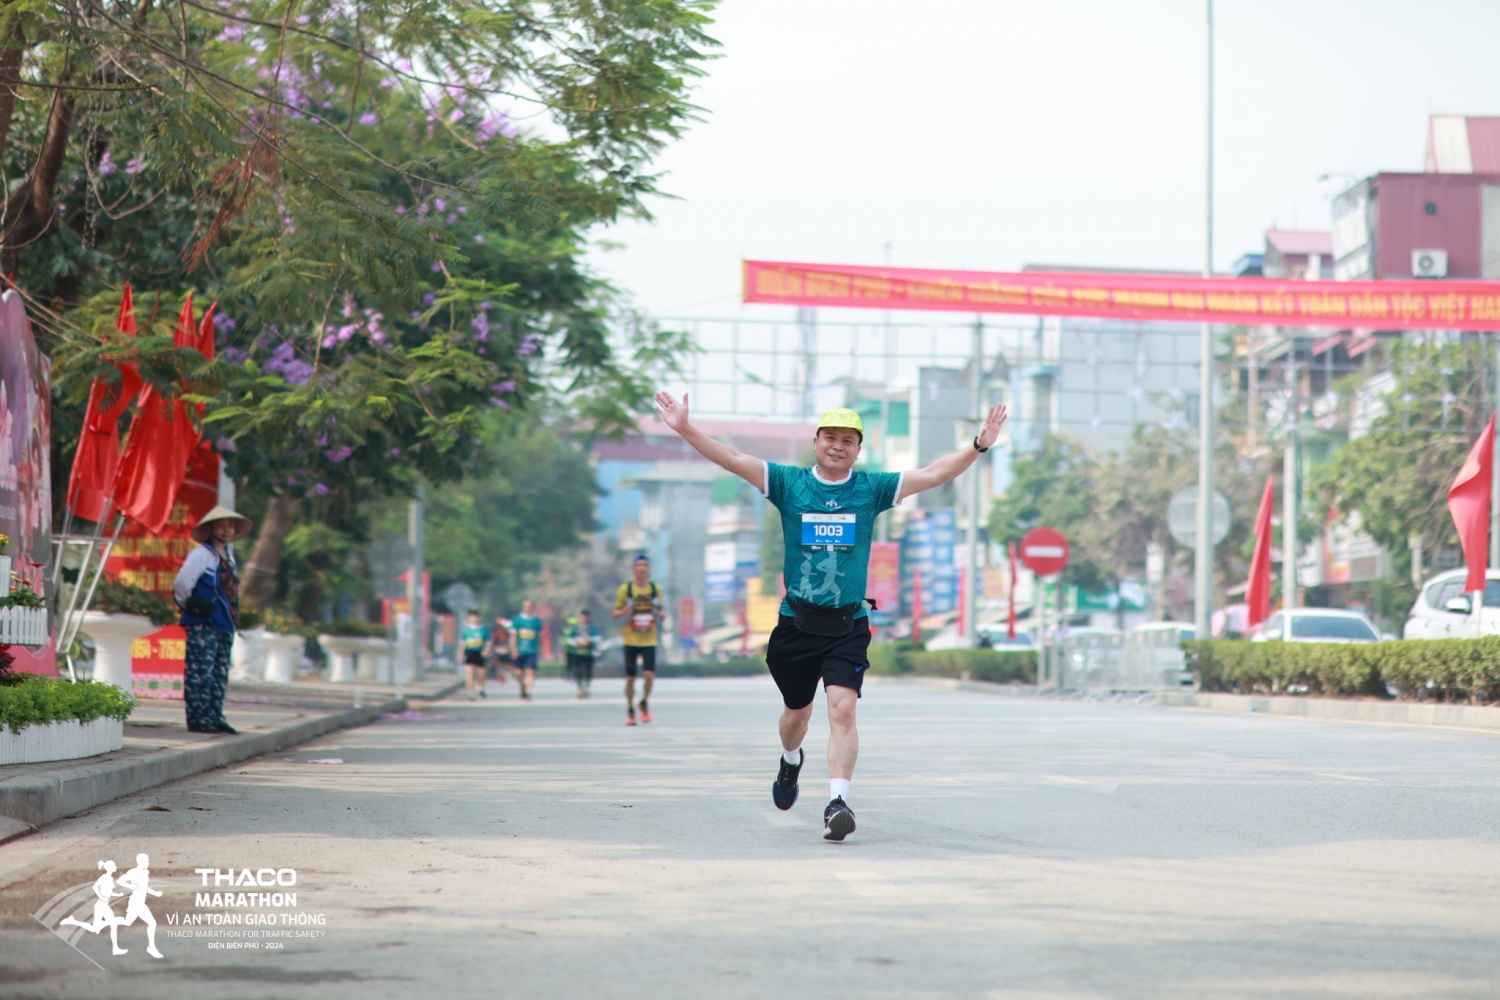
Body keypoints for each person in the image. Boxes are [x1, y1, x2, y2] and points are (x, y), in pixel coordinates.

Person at [654, 393, 1007, 841]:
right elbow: (731, 457)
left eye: (848, 440)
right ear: (816, 441)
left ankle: (838, 801)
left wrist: (979, 445)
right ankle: (790, 759)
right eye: (830, 437)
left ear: (859, 450)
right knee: (795, 715)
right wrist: (685, 427)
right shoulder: (788, 483)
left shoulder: (871, 489)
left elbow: (934, 474)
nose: (838, 446)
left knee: (842, 710)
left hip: (847, 625)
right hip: (796, 623)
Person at [172, 505, 253, 735]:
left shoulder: (228, 556)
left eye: (230, 526)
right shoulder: (201, 555)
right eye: (221, 525)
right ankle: (198, 718)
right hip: (204, 622)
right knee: (200, 671)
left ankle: (215, 716)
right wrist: (193, 607)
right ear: (211, 528)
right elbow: (182, 584)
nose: (227, 530)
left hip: (225, 623)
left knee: (219, 672)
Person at [613, 553, 663, 726]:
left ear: (649, 569)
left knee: (649, 674)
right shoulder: (625, 590)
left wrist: (662, 615)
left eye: (645, 565)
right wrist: (624, 612)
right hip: (630, 639)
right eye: (638, 565)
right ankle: (629, 708)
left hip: (649, 638)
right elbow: (615, 613)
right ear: (633, 569)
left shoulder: (655, 590)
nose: (642, 568)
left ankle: (644, 702)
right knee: (630, 678)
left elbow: (660, 610)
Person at [60, 859, 128, 955]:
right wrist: (101, 897)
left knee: (103, 927)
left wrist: (118, 895)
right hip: (101, 905)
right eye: (114, 865)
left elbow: (108, 892)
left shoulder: (109, 878)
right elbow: (95, 887)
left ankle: (115, 948)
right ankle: (72, 921)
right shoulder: (104, 877)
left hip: (104, 905)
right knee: (103, 927)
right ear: (109, 868)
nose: (116, 867)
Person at [114, 852, 164, 959]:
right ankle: (111, 921)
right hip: (135, 903)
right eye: (146, 860)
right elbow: (120, 880)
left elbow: (144, 887)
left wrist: (155, 893)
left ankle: (151, 947)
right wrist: (131, 886)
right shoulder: (133, 872)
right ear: (140, 862)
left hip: (141, 903)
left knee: (152, 923)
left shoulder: (143, 873)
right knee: (127, 922)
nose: (148, 862)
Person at [565, 610, 603, 698]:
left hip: (588, 653)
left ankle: (586, 689)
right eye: (581, 618)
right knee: (577, 671)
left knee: (587, 672)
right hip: (577, 653)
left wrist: (589, 640)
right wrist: (575, 642)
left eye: (584, 618)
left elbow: (598, 638)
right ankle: (579, 689)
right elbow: (569, 639)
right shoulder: (575, 629)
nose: (582, 620)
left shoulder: (592, 628)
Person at [511, 599, 542, 700]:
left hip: (532, 650)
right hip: (519, 650)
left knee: (531, 672)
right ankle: (523, 687)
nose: (527, 608)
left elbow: (540, 637)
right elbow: (513, 637)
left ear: (533, 607)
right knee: (518, 673)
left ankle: (527, 692)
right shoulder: (517, 620)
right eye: (526, 606)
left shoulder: (537, 621)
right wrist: (514, 649)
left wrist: (539, 649)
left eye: (530, 606)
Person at [460, 610, 488, 700]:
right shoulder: (466, 630)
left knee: (481, 674)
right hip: (470, 652)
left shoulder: (484, 629)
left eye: (476, 616)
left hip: (480, 653)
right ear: (469, 618)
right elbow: (463, 644)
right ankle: (471, 692)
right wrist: (461, 655)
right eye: (472, 616)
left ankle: (481, 687)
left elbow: (488, 643)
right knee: (469, 673)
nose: (474, 618)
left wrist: (486, 651)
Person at [488, 614, 516, 688]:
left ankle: (507, 675)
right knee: (498, 664)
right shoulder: (495, 632)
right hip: (498, 650)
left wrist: (510, 649)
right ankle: (500, 676)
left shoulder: (508, 632)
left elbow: (510, 641)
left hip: (506, 650)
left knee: (507, 664)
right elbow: (492, 642)